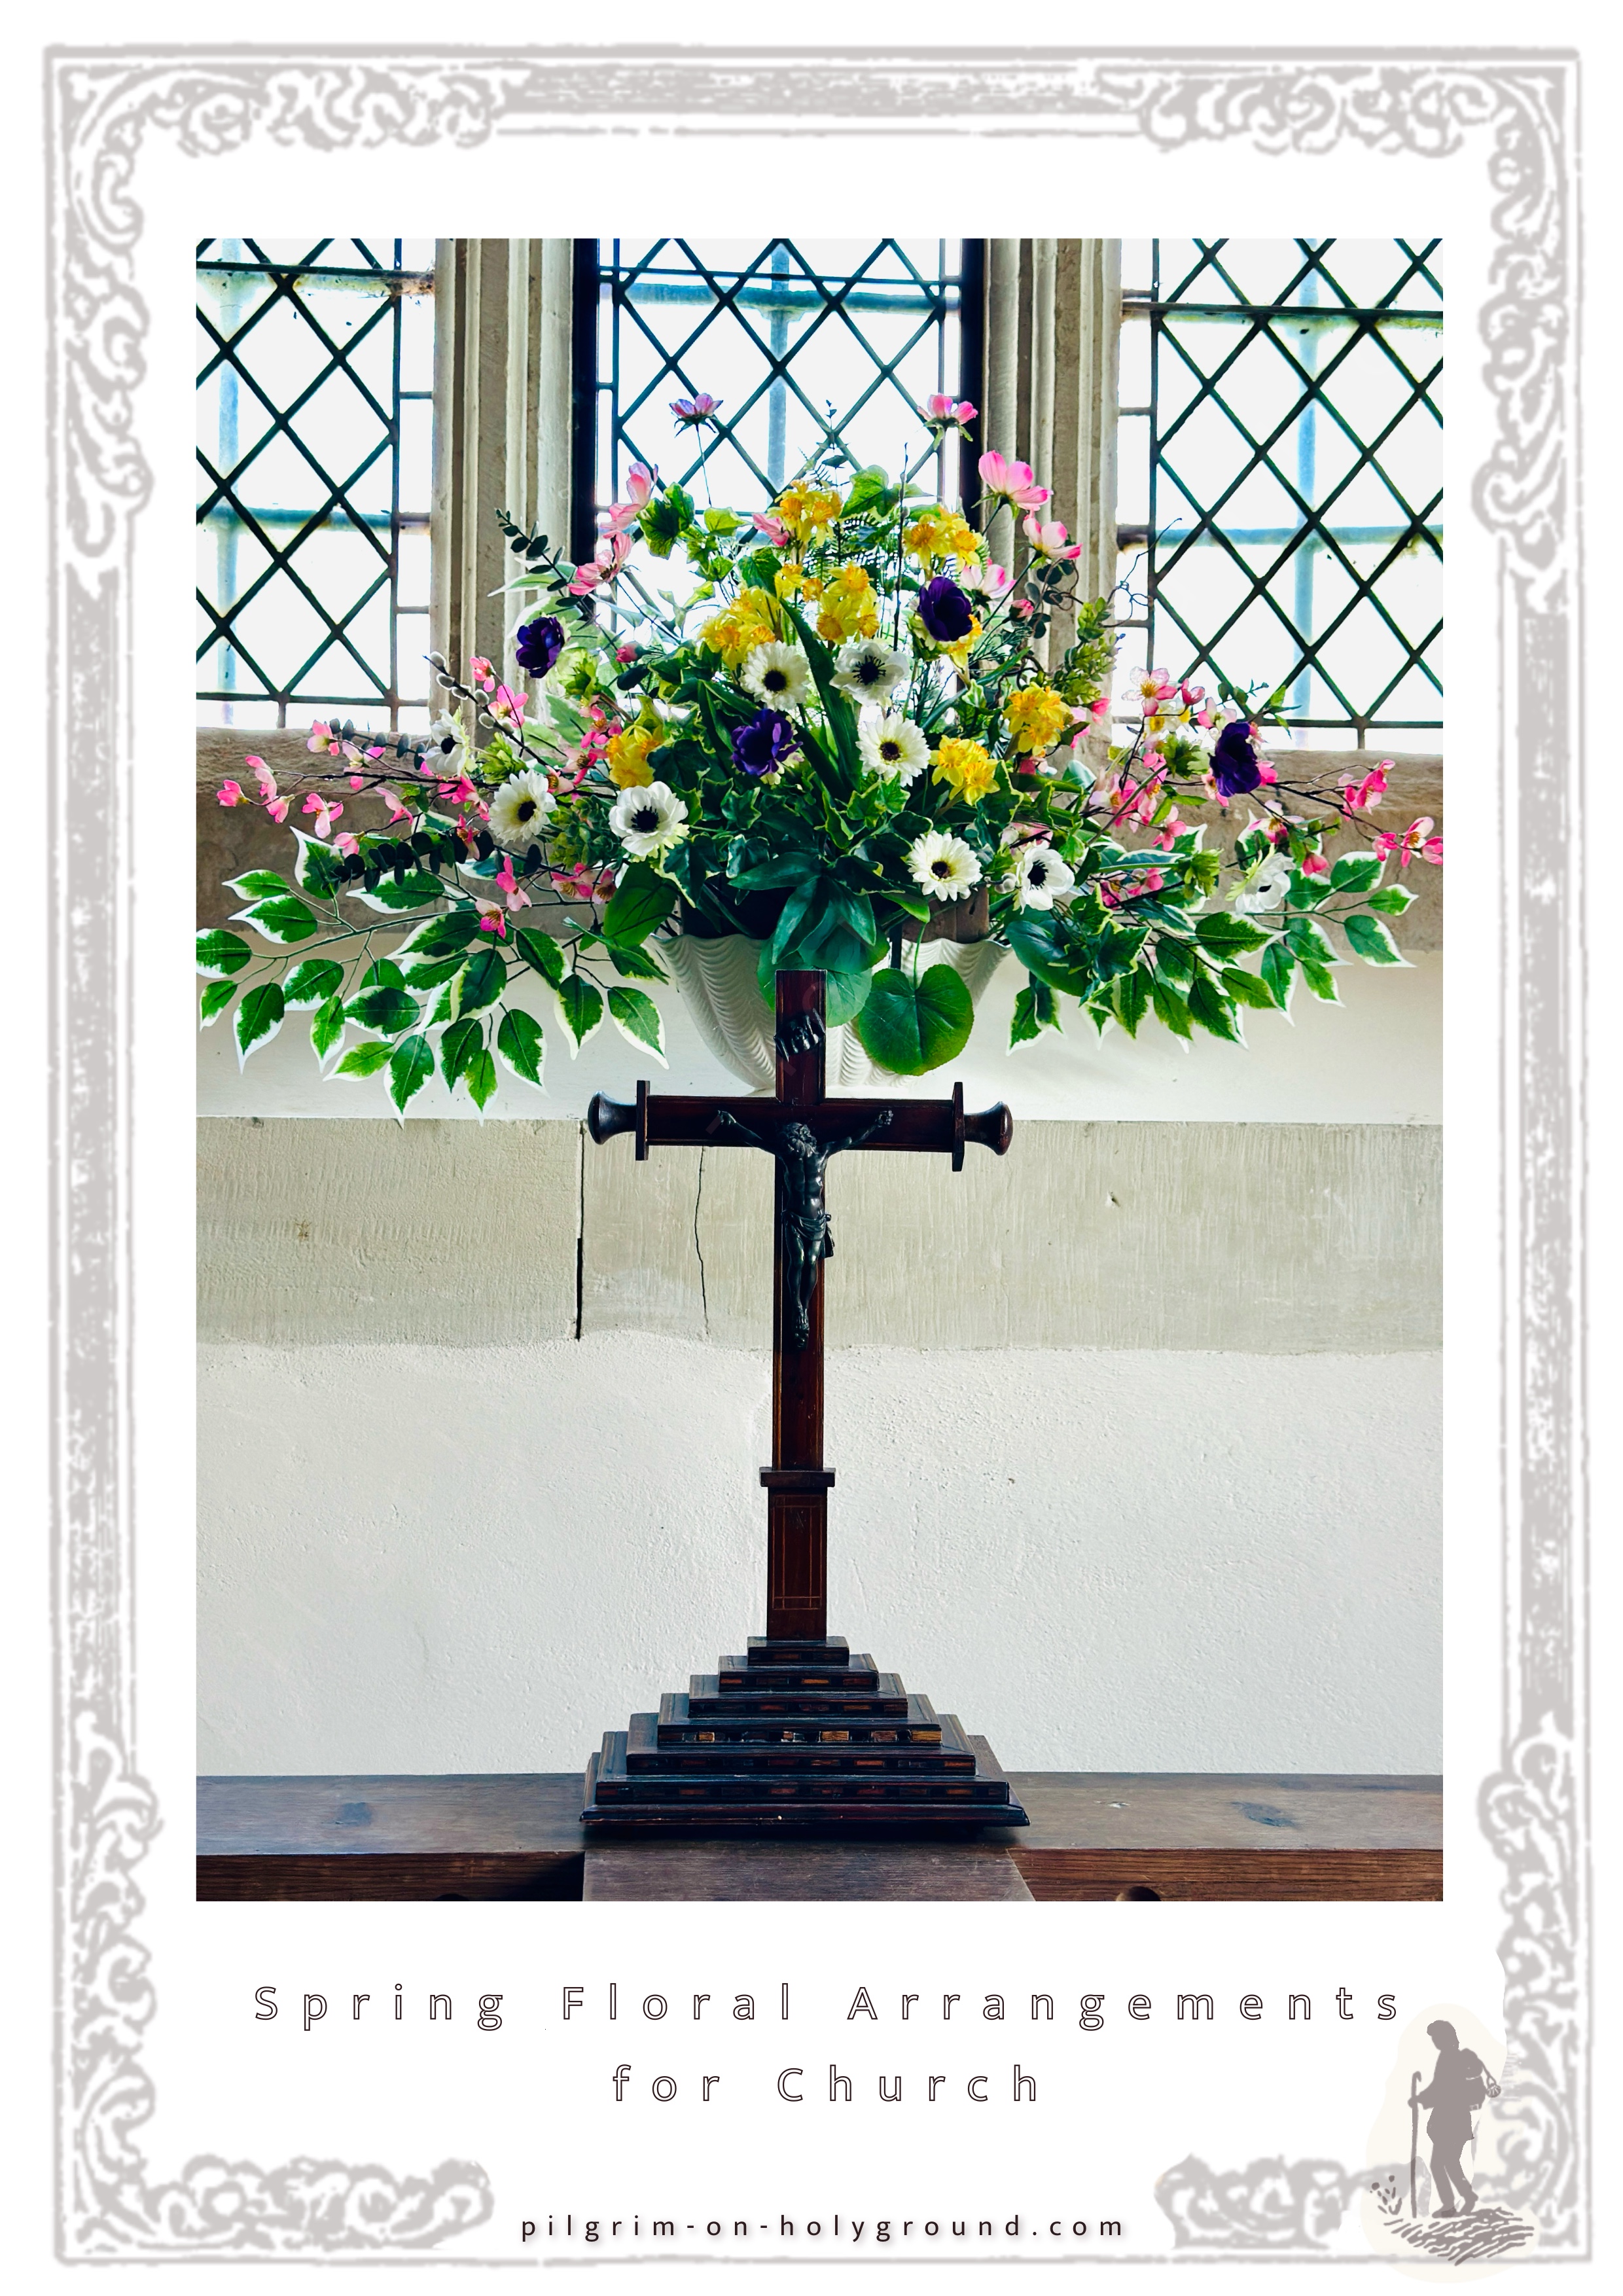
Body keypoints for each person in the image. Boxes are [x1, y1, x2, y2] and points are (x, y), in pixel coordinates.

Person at [708, 1106, 893, 1347]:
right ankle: (796, 1306)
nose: (790, 1148)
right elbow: (755, 1140)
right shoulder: (786, 1157)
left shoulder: (823, 1154)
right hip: (794, 1218)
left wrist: (875, 1124)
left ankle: (803, 1308)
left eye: (792, 1142)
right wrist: (732, 1124)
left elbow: (851, 1139)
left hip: (816, 1221)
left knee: (812, 1261)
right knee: (798, 1261)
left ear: (803, 1139)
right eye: (787, 1144)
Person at [1415, 2020, 1499, 2217]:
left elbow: (1441, 2088)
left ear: (1445, 2038)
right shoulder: (1452, 2057)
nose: (1434, 2041)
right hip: (1458, 2119)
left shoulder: (1448, 2058)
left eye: (1437, 2037)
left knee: (1440, 2164)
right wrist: (1423, 2098)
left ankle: (1451, 2204)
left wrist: (1421, 2098)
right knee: (1450, 2162)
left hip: (1450, 2119)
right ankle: (1465, 2198)